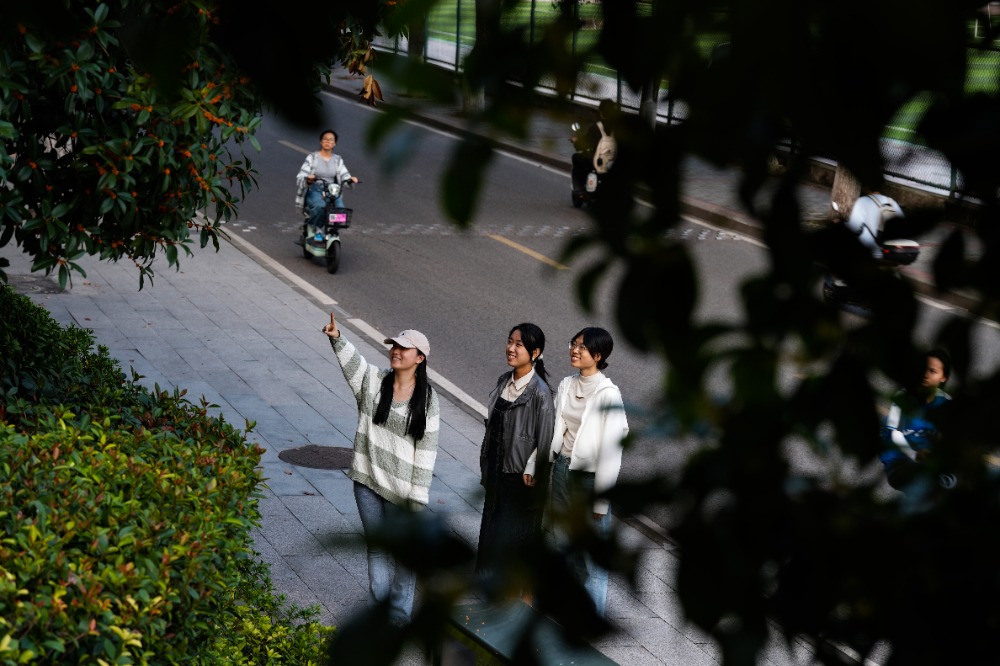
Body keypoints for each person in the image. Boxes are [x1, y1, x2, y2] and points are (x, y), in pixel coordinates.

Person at [322, 313, 440, 625]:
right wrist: (337, 338)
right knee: (376, 550)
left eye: (404, 348)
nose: (396, 351)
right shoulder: (375, 382)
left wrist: (417, 498)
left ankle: (399, 616)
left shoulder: (427, 399)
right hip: (367, 482)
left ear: (420, 357)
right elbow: (355, 365)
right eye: (394, 346)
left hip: (403, 494)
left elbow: (427, 450)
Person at [532, 326, 628, 618]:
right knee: (561, 544)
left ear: (598, 356)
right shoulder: (567, 384)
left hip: (589, 481)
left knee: (591, 557)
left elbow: (612, 451)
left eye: (582, 347)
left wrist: (601, 499)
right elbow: (552, 431)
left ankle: (591, 623)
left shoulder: (608, 394)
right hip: (562, 470)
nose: (574, 350)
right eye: (573, 344)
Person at [476, 323, 556, 578]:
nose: (510, 348)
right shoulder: (504, 381)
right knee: (493, 527)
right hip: (497, 469)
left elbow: (545, 440)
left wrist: (534, 470)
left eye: (518, 345)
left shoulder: (540, 393)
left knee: (513, 533)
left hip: (519, 475)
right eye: (510, 341)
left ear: (535, 353)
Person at [880, 348, 953, 492]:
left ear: (943, 377)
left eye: (932, 371)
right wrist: (915, 454)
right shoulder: (903, 396)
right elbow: (895, 434)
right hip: (901, 461)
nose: (925, 375)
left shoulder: (946, 403)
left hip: (929, 463)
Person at [295, 129, 359, 237]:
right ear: (321, 142)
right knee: (320, 206)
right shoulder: (312, 157)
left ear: (334, 143)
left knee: (341, 211)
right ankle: (314, 227)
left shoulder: (338, 160)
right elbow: (301, 175)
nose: (327, 142)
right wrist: (308, 179)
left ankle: (332, 230)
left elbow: (344, 175)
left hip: (332, 191)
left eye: (330, 140)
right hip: (315, 190)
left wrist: (350, 179)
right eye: (325, 139)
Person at [570, 99, 619, 193]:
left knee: (576, 157)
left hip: (598, 161)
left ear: (600, 112)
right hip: (614, 162)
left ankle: (579, 188)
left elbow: (583, 144)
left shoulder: (596, 127)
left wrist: (576, 141)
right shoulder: (620, 128)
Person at [845, 187, 904, 259]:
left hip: (873, 253)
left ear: (867, 189)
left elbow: (854, 227)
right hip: (893, 250)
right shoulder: (891, 202)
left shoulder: (862, 201)